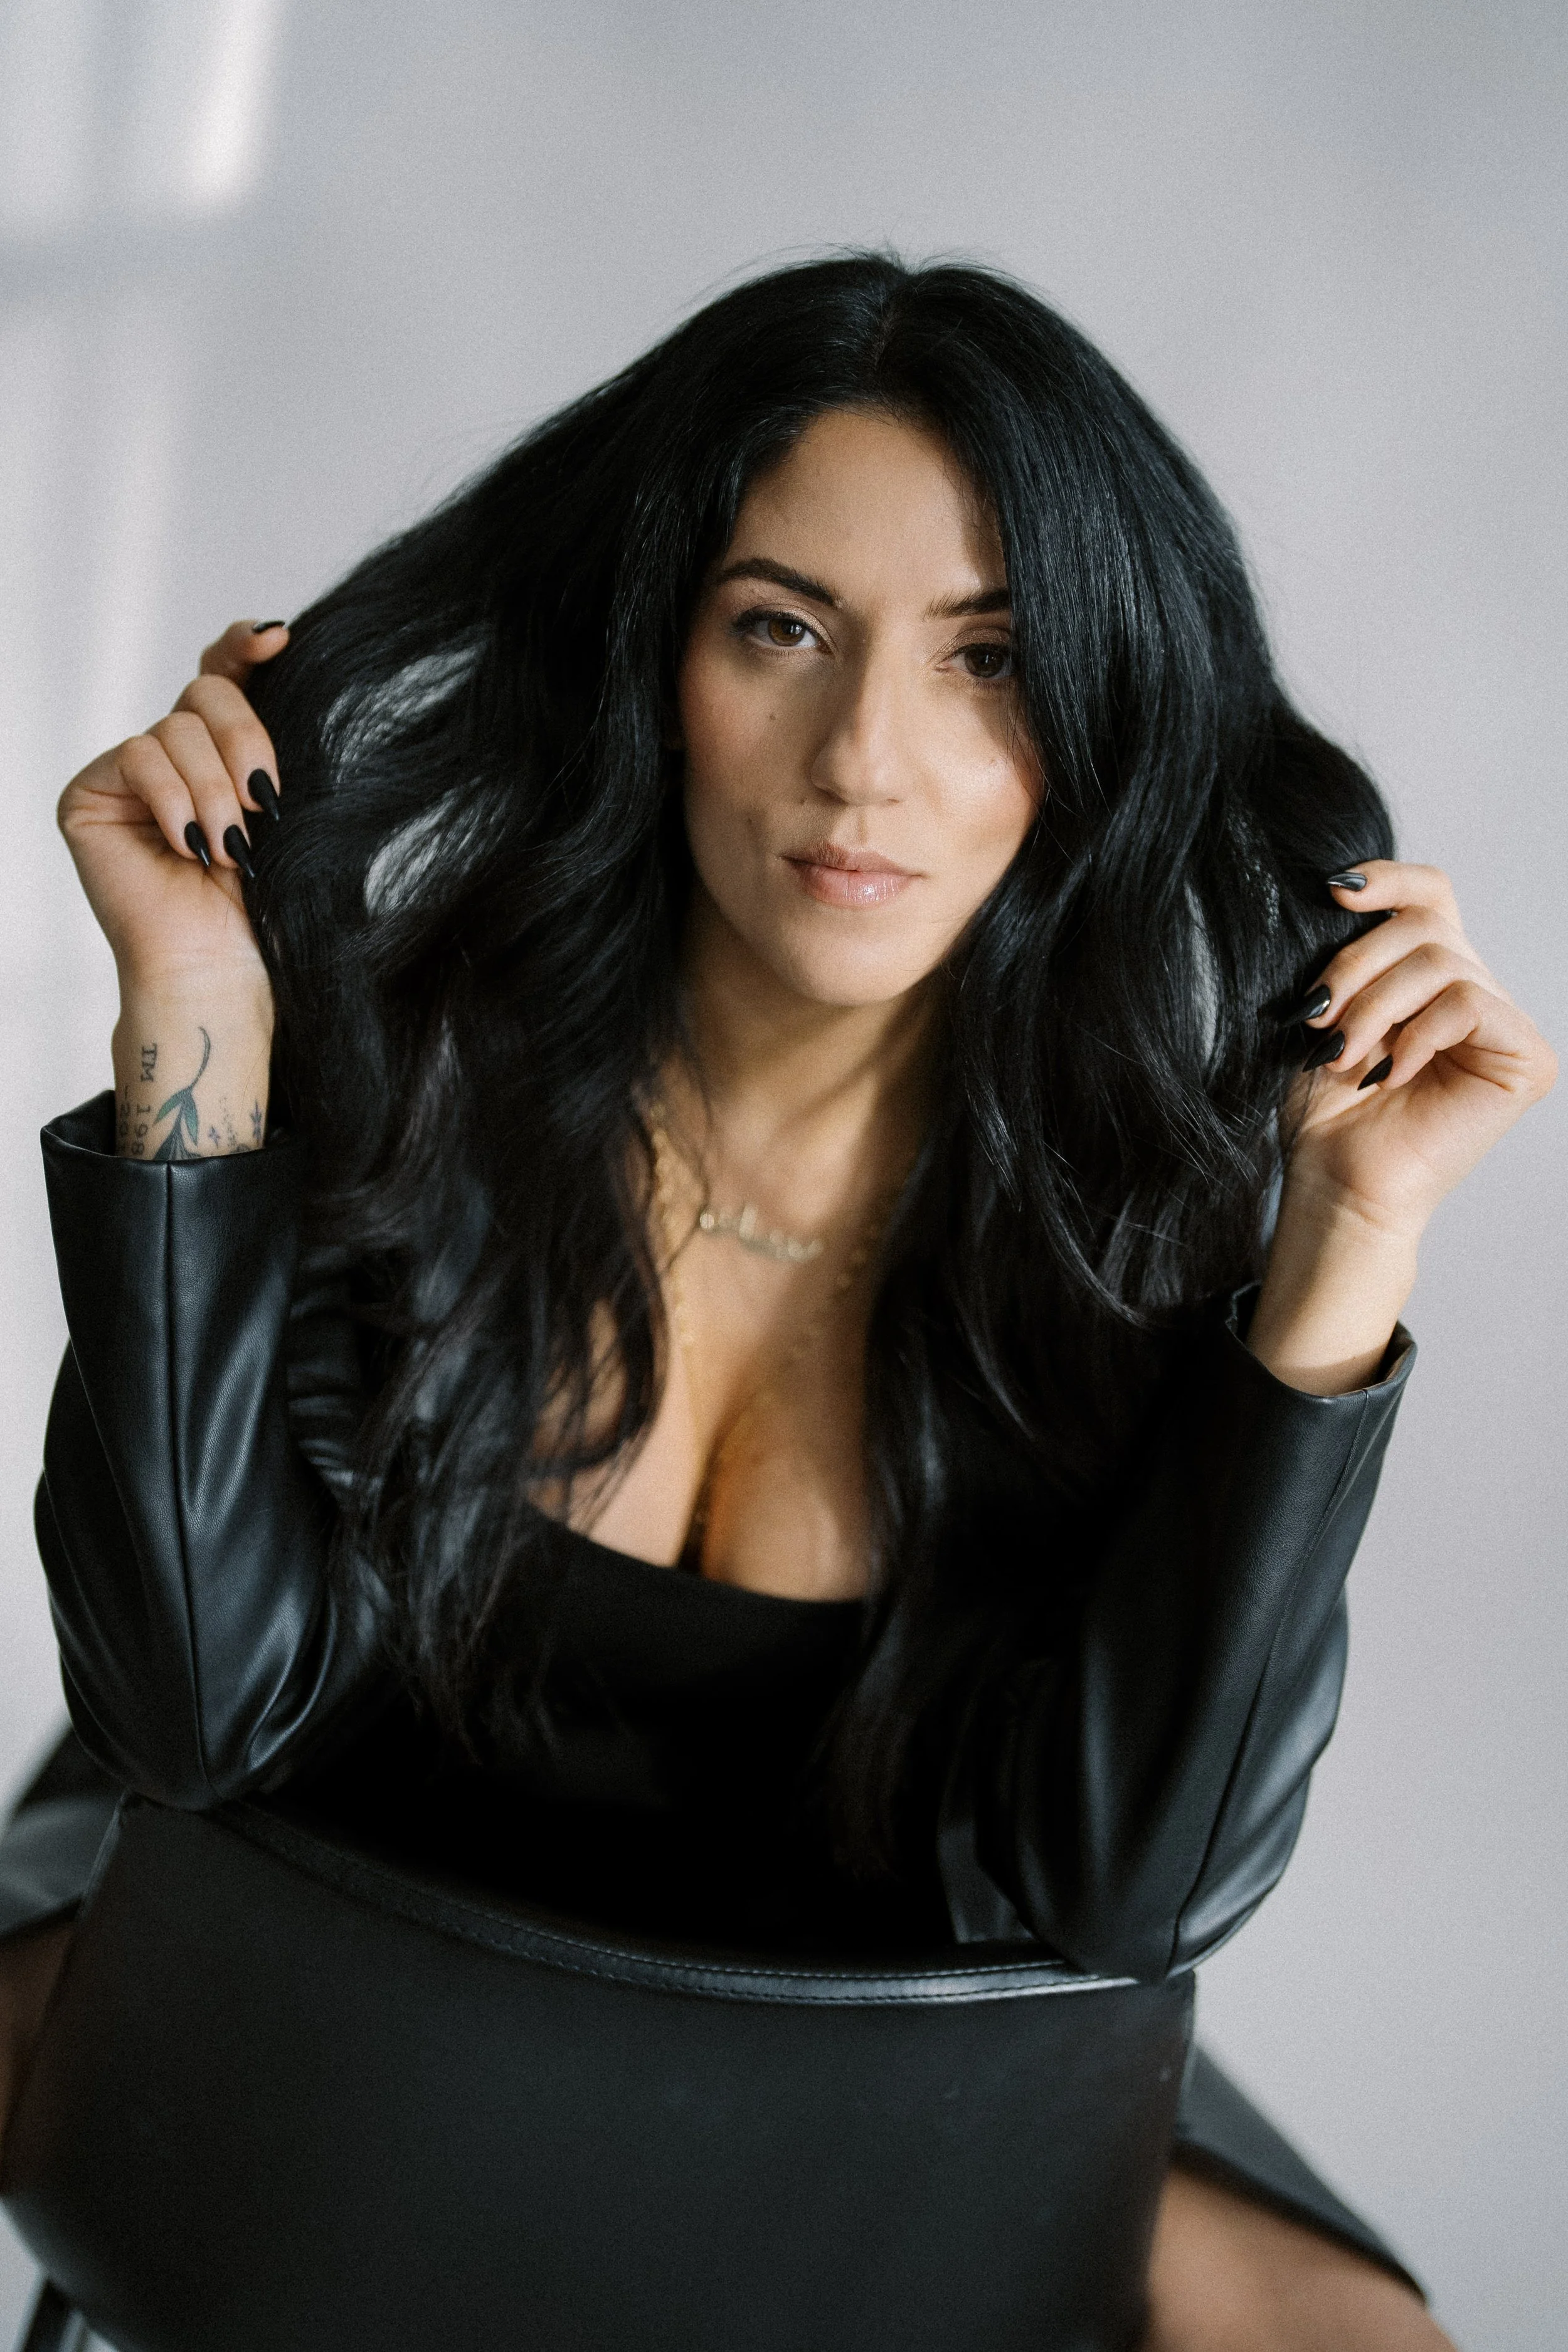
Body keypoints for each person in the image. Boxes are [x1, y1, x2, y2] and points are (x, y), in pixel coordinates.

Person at [1, 256, 1553, 2346]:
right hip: (297, 1919)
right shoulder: (399, 1075)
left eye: (988, 657)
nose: (863, 761)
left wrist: (1347, 1234)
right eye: (780, 629)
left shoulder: (1127, 1236)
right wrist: (192, 1007)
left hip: (869, 2020)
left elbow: (1133, 1896)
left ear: (1095, 717)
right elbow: (192, 1718)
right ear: (659, 656)